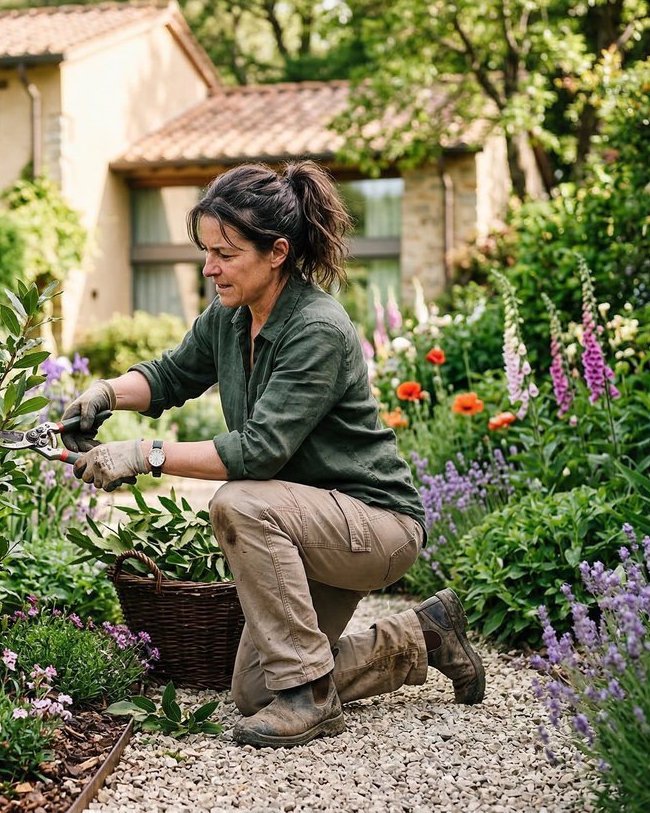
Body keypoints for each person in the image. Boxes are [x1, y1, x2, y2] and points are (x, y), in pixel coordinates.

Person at [63, 161, 485, 748]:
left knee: (240, 503)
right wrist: (106, 394)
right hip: (310, 520)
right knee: (257, 691)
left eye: (226, 253)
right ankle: (424, 636)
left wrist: (144, 454)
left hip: (375, 525)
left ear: (277, 252)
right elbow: (171, 375)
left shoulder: (317, 329)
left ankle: (313, 701)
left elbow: (259, 451)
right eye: (206, 251)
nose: (210, 268)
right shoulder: (231, 317)